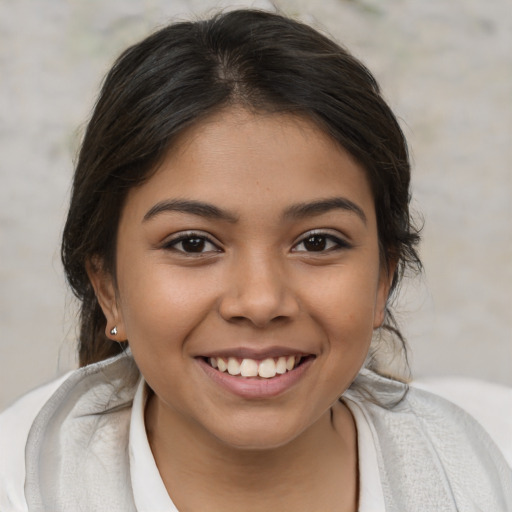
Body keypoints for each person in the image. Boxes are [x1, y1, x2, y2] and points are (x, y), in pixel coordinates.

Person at [0, 9, 510, 512]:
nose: (262, 301)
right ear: (107, 286)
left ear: (383, 277)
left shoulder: (489, 467)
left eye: (317, 242)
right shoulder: (18, 487)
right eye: (193, 244)